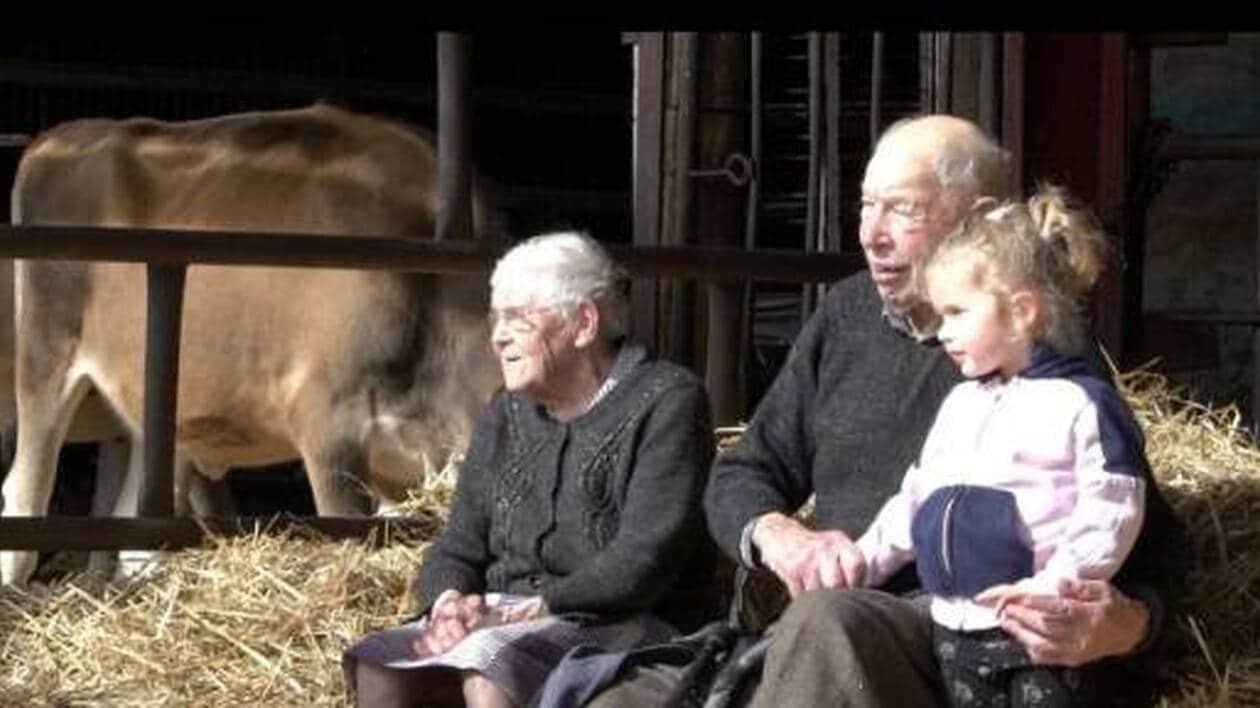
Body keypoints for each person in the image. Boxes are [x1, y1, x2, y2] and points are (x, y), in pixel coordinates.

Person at [587, 114, 1189, 707]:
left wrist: (1128, 624)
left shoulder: (1043, 354)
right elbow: (745, 470)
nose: (871, 235)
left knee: (827, 620)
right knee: (616, 697)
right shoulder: (845, 317)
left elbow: (1148, 538)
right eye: (865, 207)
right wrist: (780, 536)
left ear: (974, 221)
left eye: (902, 209)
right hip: (820, 639)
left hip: (958, 640)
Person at [343, 230, 720, 707]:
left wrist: (529, 610)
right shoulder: (505, 414)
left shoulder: (667, 402)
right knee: (382, 663)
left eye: (517, 319)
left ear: (583, 324)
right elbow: (458, 544)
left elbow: (642, 563)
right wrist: (449, 607)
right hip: (508, 620)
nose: (498, 337)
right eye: (496, 318)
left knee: (490, 662)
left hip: (625, 621)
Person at [853, 185, 1148, 706]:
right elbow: (917, 495)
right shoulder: (960, 404)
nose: (942, 333)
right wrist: (863, 561)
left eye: (957, 313)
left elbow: (1113, 504)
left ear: (1022, 312)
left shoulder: (1080, 403)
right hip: (955, 627)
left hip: (1039, 628)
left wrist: (1061, 585)